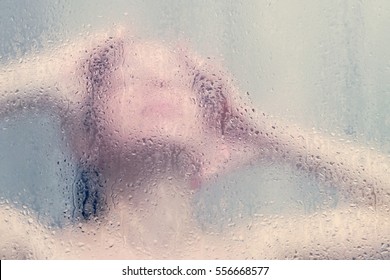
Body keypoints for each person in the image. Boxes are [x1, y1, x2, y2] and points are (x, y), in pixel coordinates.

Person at [1, 28, 389, 259]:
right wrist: (37, 80)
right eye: (127, 78)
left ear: (212, 147)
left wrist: (265, 132)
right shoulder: (36, 252)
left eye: (181, 80)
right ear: (86, 139)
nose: (159, 83)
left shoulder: (253, 254)